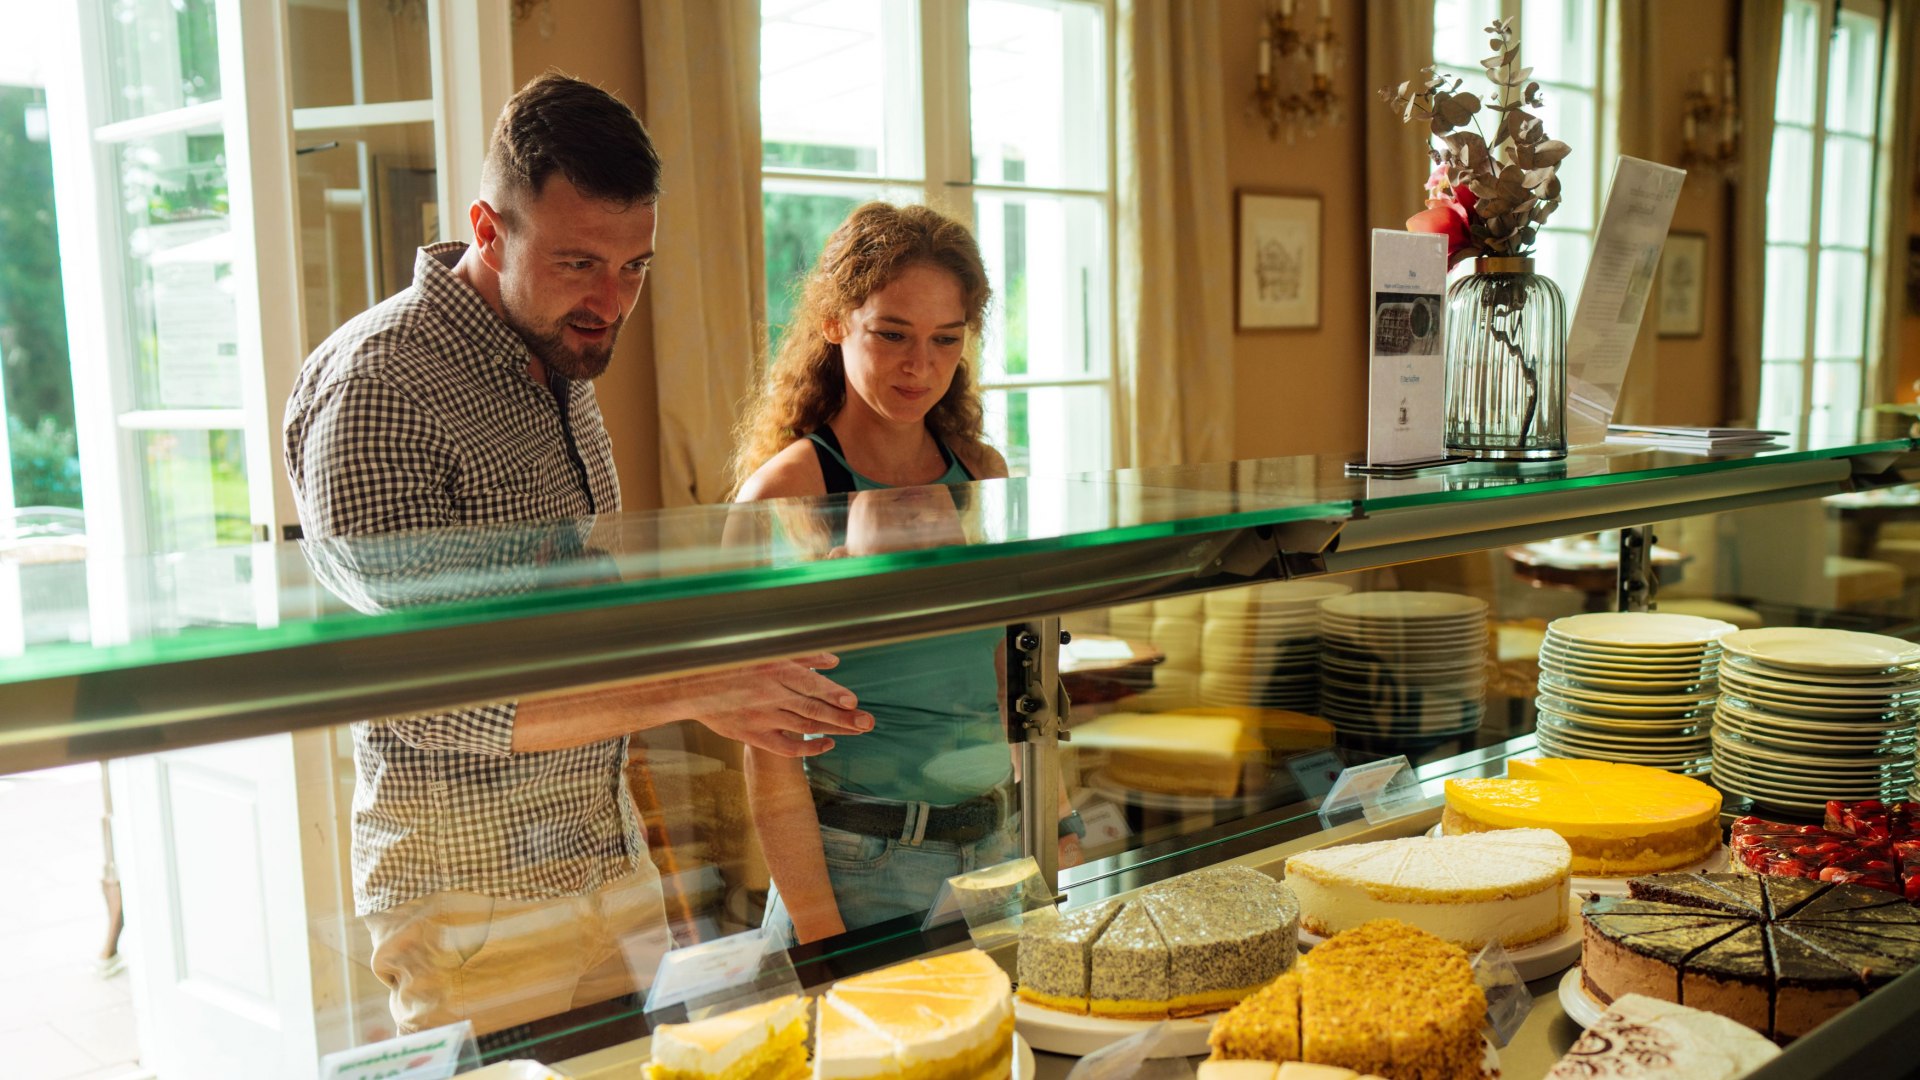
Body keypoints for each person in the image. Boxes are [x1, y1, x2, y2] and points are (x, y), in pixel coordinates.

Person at [282, 73, 872, 1036]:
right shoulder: (381, 389)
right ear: (486, 228)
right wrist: (697, 688)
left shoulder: (556, 350)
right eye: (577, 262)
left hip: (602, 856)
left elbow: (576, 610)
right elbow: (441, 697)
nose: (612, 300)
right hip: (473, 901)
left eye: (635, 265)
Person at [730, 202, 1080, 944]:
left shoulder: (983, 475)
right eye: (891, 335)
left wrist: (1060, 825)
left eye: (945, 340)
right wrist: (826, 941)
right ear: (833, 323)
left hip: (997, 849)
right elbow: (768, 760)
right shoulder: (782, 497)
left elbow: (1013, 673)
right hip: (856, 867)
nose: (920, 366)